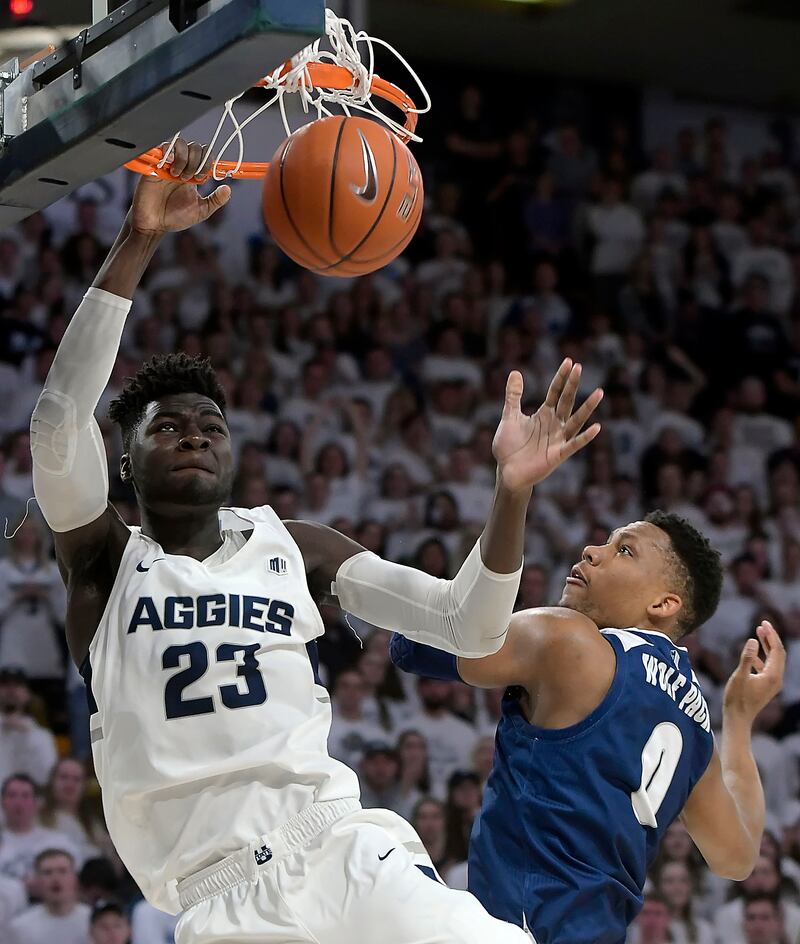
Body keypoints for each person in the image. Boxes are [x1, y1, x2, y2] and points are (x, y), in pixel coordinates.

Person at [27, 140, 602, 944]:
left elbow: (467, 627)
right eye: (168, 428)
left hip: (338, 852)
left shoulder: (295, 547)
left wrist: (512, 494)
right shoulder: (105, 563)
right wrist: (140, 238)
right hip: (216, 899)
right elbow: (58, 422)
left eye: (211, 427)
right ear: (126, 460)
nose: (194, 436)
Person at [392, 514, 785, 943]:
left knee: (379, 851)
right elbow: (738, 857)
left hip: (525, 928)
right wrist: (739, 719)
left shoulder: (569, 639)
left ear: (663, 604)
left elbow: (414, 645)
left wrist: (500, 525)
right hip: (598, 933)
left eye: (624, 550)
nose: (592, 551)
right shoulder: (695, 725)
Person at [6, 848, 90, 944]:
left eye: (62, 871)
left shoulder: (93, 921)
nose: (56, 879)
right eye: (48, 873)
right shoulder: (20, 927)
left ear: (75, 877)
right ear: (37, 880)